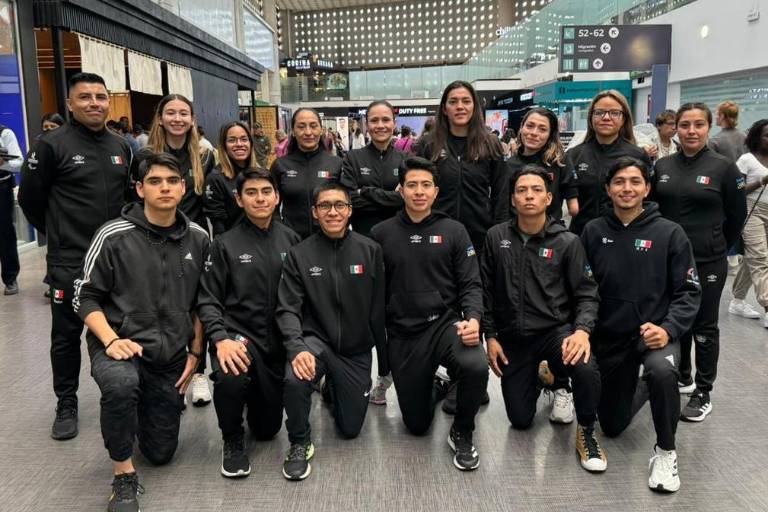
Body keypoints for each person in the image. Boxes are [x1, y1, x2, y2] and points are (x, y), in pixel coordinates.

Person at [73, 152, 209, 512]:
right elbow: (84, 296)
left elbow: (203, 302)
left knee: (160, 453)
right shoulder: (112, 235)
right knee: (121, 385)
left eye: (172, 181)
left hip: (170, 353)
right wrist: (111, 339)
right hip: (119, 343)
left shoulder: (198, 238)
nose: (164, 188)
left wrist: (196, 353)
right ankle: (123, 475)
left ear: (183, 188)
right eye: (154, 181)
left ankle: (138, 408)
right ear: (139, 189)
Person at [19, 72, 132, 441]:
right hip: (70, 261)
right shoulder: (50, 146)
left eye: (100, 96)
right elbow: (31, 201)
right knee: (66, 335)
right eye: (85, 97)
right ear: (70, 103)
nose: (94, 103)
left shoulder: (121, 146)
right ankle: (66, 402)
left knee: (122, 328)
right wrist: (58, 235)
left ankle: (126, 393)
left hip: (114, 261)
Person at [582, 156, 701, 492]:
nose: (627, 188)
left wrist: (668, 328)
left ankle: (665, 452)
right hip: (609, 337)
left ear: (647, 188)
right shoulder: (593, 231)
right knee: (611, 426)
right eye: (619, 182)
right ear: (608, 189)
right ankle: (646, 387)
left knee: (662, 371)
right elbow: (581, 287)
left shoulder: (670, 233)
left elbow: (689, 291)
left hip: (654, 335)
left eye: (635, 181)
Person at [481, 164, 605, 472]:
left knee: (584, 365)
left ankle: (586, 430)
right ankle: (543, 376)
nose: (529, 196)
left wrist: (581, 331)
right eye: (521, 191)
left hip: (554, 331)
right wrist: (491, 336)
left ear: (549, 199)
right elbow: (485, 291)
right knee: (520, 419)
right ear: (512, 199)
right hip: (513, 336)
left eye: (536, 190)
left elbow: (587, 293)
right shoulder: (496, 237)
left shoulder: (567, 242)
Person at [370, 156, 488, 471]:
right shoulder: (380, 234)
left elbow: (471, 283)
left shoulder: (455, 231)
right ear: (401, 190)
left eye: (426, 185)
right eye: (412, 185)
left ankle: (462, 431)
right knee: (417, 425)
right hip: (403, 333)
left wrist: (473, 318)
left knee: (476, 364)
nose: (419, 192)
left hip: (444, 325)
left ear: (436, 191)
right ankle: (438, 386)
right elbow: (373, 293)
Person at [276, 182, 385, 481]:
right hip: (317, 342)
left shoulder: (370, 250)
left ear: (350, 210)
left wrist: (385, 367)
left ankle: (330, 387)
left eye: (340, 205)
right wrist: (296, 348)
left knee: (350, 430)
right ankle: (299, 441)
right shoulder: (299, 254)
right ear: (314, 212)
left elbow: (379, 311)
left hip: (355, 349)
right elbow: (287, 308)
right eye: (325, 206)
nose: (333, 212)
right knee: (295, 377)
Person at [198, 169, 301, 478]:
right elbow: (208, 300)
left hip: (277, 341)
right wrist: (220, 338)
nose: (260, 198)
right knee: (231, 375)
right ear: (239, 199)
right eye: (251, 193)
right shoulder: (224, 244)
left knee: (267, 430)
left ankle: (253, 399)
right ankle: (232, 439)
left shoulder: (291, 239)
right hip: (239, 337)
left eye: (266, 192)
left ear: (277, 197)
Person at [418, 80, 508, 413]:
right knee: (442, 302)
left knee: (474, 305)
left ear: (475, 106)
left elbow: (501, 194)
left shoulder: (490, 144)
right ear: (444, 107)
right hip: (436, 239)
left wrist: (497, 236)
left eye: (466, 101)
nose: (460, 107)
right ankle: (452, 372)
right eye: (453, 101)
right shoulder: (428, 144)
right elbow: (415, 187)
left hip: (479, 238)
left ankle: (473, 378)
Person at [653, 103, 747, 422]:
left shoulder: (724, 168)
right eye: (685, 125)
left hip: (708, 260)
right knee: (673, 320)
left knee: (704, 326)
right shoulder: (662, 166)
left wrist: (716, 243)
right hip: (668, 260)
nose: (691, 131)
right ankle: (683, 376)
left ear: (709, 127)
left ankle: (703, 391)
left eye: (698, 124)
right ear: (675, 128)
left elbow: (737, 216)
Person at [131, 93, 215, 405]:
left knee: (196, 306)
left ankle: (199, 374)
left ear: (192, 120)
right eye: (171, 113)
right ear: (160, 118)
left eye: (183, 113)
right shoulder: (145, 155)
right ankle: (163, 376)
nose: (177, 119)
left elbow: (207, 203)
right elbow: (134, 201)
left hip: (192, 242)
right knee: (161, 306)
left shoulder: (203, 155)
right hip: (154, 241)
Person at [564, 89, 652, 235]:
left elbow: (648, 200)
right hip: (581, 235)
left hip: (624, 235)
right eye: (599, 112)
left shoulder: (637, 155)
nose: (606, 118)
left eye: (614, 113)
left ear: (623, 118)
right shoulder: (574, 155)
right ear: (591, 117)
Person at [271, 108, 342, 239]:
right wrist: (281, 232)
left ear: (321, 129)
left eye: (313, 126)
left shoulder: (336, 164)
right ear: (293, 131)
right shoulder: (280, 165)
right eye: (301, 127)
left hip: (329, 239)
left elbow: (345, 205)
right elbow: (271, 206)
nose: (308, 132)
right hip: (291, 241)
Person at [340, 100, 405, 239]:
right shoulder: (353, 158)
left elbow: (406, 199)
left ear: (394, 124)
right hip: (362, 238)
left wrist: (365, 192)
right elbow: (349, 199)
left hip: (398, 238)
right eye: (374, 120)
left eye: (386, 120)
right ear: (367, 124)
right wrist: (392, 199)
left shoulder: (405, 160)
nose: (380, 125)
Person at [729, 120, 768, 327]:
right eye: (767, 135)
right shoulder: (746, 160)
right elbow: (736, 190)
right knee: (760, 258)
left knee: (752, 258)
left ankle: (737, 300)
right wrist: (761, 181)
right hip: (752, 210)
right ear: (757, 137)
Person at [509, 107, 578, 222]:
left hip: (551, 229)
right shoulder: (508, 165)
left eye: (542, 129)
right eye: (529, 126)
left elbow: (574, 208)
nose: (534, 133)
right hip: (515, 229)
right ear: (521, 127)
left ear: (550, 134)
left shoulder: (560, 162)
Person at [204, 121, 258, 236]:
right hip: (233, 243)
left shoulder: (260, 174)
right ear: (223, 145)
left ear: (250, 143)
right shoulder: (215, 178)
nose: (239, 144)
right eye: (232, 140)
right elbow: (218, 225)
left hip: (262, 239)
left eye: (244, 139)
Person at [0, 122, 23, 295]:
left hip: (1, 188)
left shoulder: (5, 133)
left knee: (5, 234)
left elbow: (19, 162)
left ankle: (10, 278)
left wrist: (2, 164)